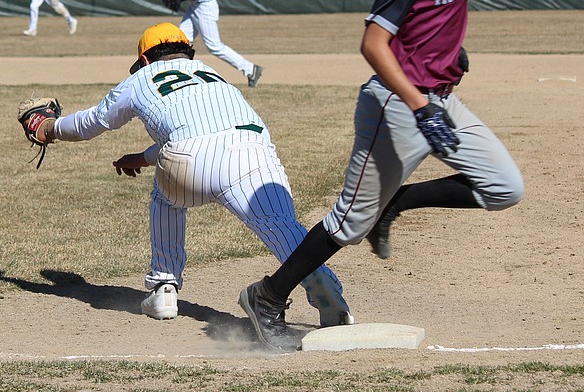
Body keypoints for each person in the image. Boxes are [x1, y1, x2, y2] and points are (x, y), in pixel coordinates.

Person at [237, 0, 526, 349]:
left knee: (504, 187)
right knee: (349, 223)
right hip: (396, 107)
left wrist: (450, 54)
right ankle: (267, 295)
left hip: (439, 99)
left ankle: (400, 201)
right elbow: (373, 42)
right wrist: (418, 104)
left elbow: (434, 18)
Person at [26, 22, 352, 328]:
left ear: (143, 59)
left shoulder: (141, 78)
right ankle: (326, 291)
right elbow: (212, 131)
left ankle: (164, 290)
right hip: (254, 151)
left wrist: (48, 128)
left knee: (167, 200)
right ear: (188, 52)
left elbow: (92, 123)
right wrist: (142, 156)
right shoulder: (212, 74)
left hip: (187, 158)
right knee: (285, 229)